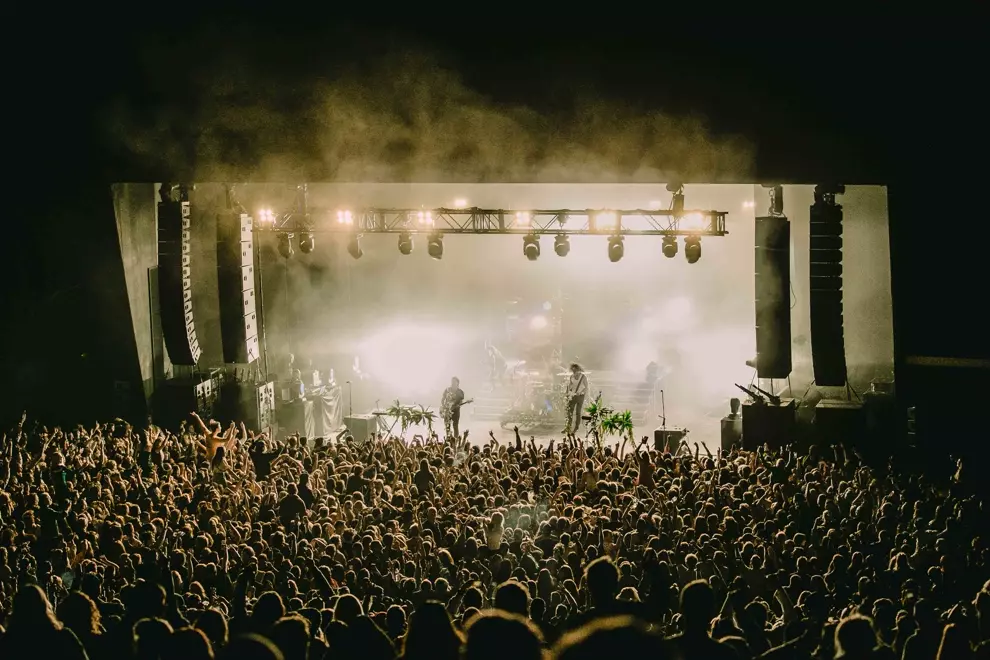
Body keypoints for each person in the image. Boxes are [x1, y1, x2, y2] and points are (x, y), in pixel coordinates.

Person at [563, 363, 588, 435]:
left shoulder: (583, 377)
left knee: (578, 412)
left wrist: (581, 392)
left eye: (575, 371)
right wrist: (567, 393)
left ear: (578, 370)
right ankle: (568, 427)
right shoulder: (571, 377)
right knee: (569, 412)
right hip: (573, 396)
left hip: (580, 396)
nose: (574, 372)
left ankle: (576, 428)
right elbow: (569, 387)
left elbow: (586, 387)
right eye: (573, 371)